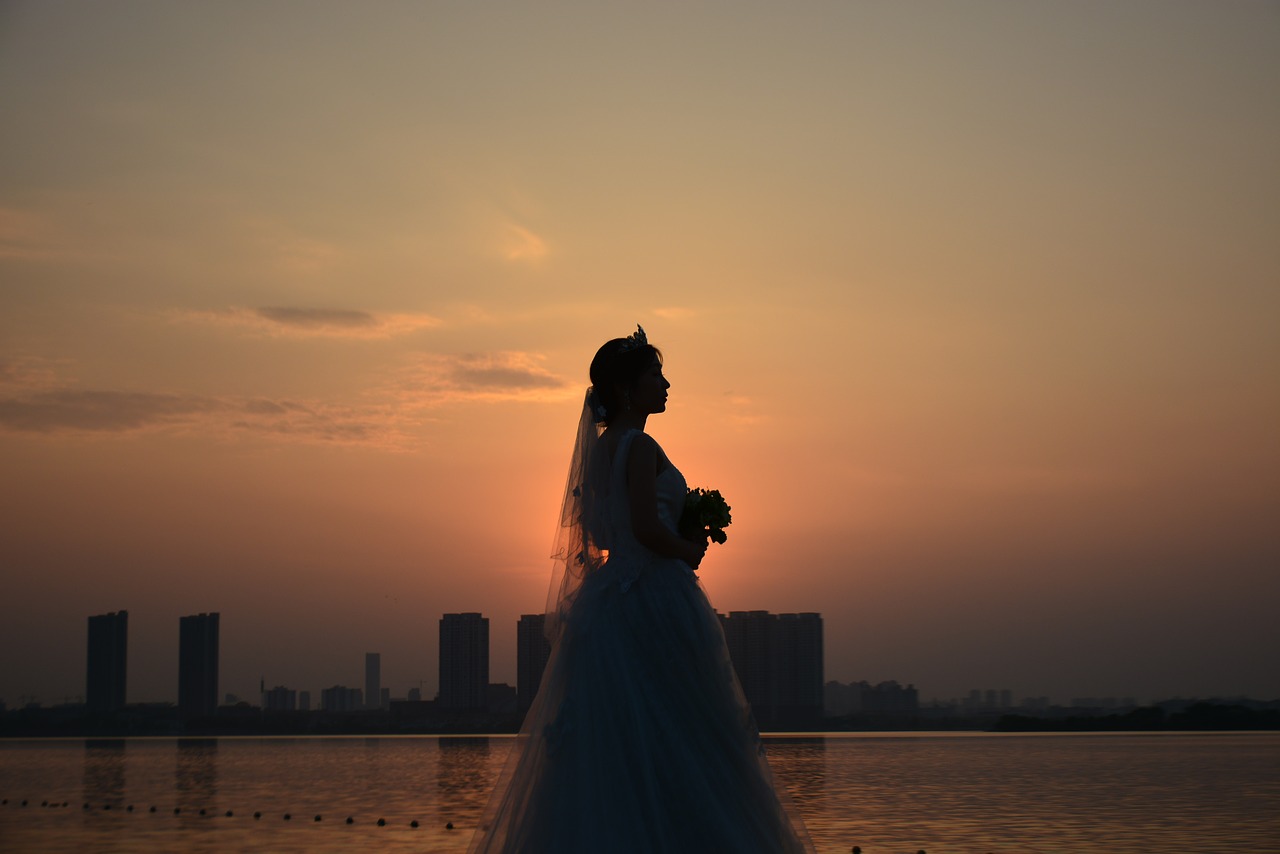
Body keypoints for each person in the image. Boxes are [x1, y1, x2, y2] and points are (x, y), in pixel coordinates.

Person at [469, 326, 814, 853]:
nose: (667, 383)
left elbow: (602, 534)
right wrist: (687, 546)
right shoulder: (639, 446)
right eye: (656, 375)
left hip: (612, 602)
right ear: (629, 390)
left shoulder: (602, 451)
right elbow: (644, 530)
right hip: (654, 596)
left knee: (621, 743)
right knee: (681, 732)